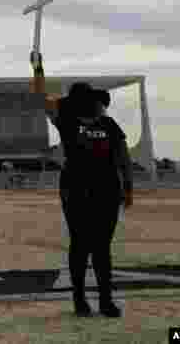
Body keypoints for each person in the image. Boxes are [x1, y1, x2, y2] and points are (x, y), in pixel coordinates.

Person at [30, 52, 133, 318]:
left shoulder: (109, 124)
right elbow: (42, 97)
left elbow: (123, 156)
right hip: (76, 188)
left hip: (108, 188)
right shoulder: (66, 121)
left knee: (102, 246)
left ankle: (106, 301)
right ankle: (79, 300)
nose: (95, 105)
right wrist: (38, 68)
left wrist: (128, 187)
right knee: (80, 243)